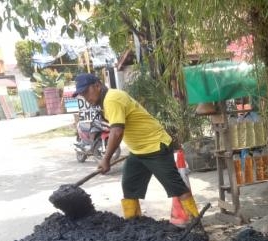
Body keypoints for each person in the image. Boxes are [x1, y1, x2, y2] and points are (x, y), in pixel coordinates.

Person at [73, 73, 199, 224]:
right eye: (82, 94)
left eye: (86, 92)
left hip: (154, 147)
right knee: (129, 187)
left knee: (177, 188)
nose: (85, 97)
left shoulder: (112, 99)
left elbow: (117, 131)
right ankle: (134, 226)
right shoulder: (106, 100)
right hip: (138, 151)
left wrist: (106, 159)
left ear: (97, 85)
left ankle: (196, 224)